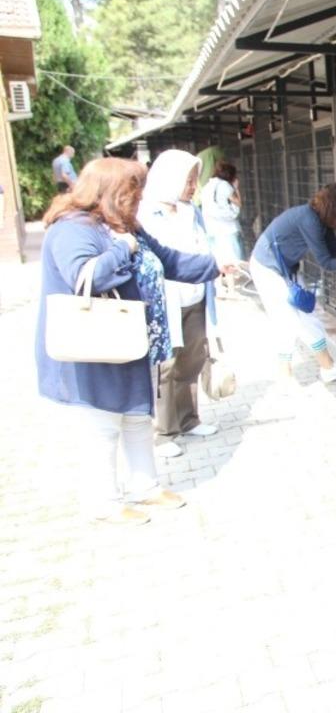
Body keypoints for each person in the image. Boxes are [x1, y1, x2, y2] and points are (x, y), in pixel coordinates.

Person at [35, 158, 233, 525]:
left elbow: (167, 260)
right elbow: (85, 277)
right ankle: (103, 502)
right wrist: (120, 250)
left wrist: (215, 265)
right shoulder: (73, 230)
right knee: (103, 424)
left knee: (137, 416)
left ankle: (145, 487)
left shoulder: (124, 226)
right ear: (110, 192)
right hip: (93, 348)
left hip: (128, 341)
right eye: (133, 191)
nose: (139, 198)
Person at [248, 182, 336, 382]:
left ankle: (327, 368)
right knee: (288, 321)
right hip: (267, 268)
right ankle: (286, 374)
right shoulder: (309, 220)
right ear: (335, 208)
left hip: (286, 270)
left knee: (308, 315)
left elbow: (334, 253)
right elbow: (327, 262)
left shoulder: (321, 220)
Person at [137, 150, 219, 457]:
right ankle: (164, 431)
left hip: (195, 295)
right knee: (166, 364)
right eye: (188, 179)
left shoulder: (190, 210)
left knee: (193, 358)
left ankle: (189, 419)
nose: (192, 186)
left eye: (195, 179)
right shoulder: (145, 214)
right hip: (165, 300)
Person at [200, 159, 242, 294]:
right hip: (226, 228)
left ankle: (219, 288)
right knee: (229, 258)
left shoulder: (207, 186)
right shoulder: (225, 186)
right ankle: (232, 290)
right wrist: (236, 188)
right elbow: (238, 203)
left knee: (217, 258)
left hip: (210, 228)